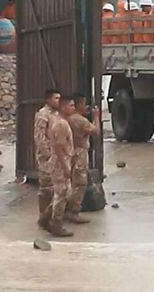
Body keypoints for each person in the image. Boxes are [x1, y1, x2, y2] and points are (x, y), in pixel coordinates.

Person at [65, 93, 102, 223]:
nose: (86, 106)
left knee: (69, 182)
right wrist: (96, 117)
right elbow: (96, 131)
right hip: (80, 152)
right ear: (78, 104)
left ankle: (63, 210)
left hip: (69, 152)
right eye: (84, 103)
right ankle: (73, 211)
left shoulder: (67, 118)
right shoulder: (79, 120)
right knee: (80, 183)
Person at [46, 93, 76, 237]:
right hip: (60, 163)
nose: (73, 108)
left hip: (61, 160)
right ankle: (56, 224)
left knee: (62, 193)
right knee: (61, 194)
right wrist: (65, 167)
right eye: (71, 105)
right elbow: (58, 146)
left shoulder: (61, 121)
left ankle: (46, 219)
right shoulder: (61, 124)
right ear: (63, 107)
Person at [35, 89, 60, 232]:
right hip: (47, 157)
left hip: (57, 155)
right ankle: (42, 217)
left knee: (55, 187)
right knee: (45, 188)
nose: (58, 100)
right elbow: (39, 137)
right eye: (56, 98)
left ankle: (50, 217)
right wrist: (47, 154)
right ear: (48, 100)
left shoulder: (56, 114)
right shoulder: (42, 115)